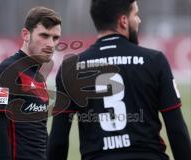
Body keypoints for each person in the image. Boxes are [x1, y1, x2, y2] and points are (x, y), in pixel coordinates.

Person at [47, 0, 191, 160]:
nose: (139, 20)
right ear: (123, 21)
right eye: (135, 14)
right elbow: (177, 130)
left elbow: (58, 141)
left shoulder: (71, 68)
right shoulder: (155, 60)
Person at [0, 6, 61, 160]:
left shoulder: (38, 77)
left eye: (55, 38)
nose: (51, 44)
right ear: (26, 35)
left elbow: (39, 132)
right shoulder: (6, 73)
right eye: (44, 36)